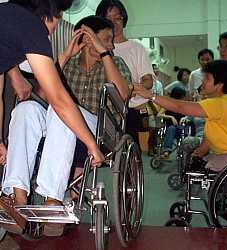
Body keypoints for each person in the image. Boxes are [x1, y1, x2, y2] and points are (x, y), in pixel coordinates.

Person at [0, 0, 107, 235]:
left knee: (60, 115)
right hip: (60, 113)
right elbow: (54, 97)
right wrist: (67, 55)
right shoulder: (33, 33)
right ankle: (17, 195)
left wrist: (105, 52)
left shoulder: (7, 21)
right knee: (25, 110)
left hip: (87, 119)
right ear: (50, 14)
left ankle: (52, 199)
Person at [134, 60, 227, 172]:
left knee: (205, 169)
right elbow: (212, 135)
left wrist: (151, 95)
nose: (202, 82)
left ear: (220, 84)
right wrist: (200, 151)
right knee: (198, 164)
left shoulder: (218, 103)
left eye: (207, 78)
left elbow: (180, 107)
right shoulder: (222, 102)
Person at [96, 0, 155, 149]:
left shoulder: (136, 48)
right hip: (100, 109)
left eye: (117, 18)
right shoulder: (95, 48)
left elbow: (148, 80)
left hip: (128, 111)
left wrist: (132, 89)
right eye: (107, 19)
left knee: (129, 157)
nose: (113, 23)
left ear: (123, 19)